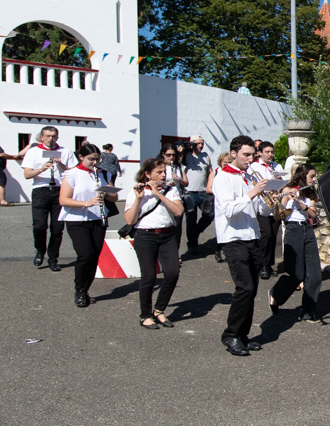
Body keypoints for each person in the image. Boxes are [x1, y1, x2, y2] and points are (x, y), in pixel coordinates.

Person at [215, 135, 273, 356]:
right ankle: (230, 335)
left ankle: (243, 335)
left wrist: (273, 198)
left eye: (252, 155)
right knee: (244, 288)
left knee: (253, 289)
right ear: (234, 154)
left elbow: (259, 209)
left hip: (252, 236)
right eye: (246, 155)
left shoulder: (247, 176)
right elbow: (228, 210)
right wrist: (252, 193)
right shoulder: (223, 177)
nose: (250, 159)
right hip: (233, 238)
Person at [125, 157, 184, 328]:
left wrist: (158, 193)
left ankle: (159, 310)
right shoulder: (136, 191)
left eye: (164, 171)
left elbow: (178, 211)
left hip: (167, 235)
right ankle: (145, 315)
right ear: (147, 174)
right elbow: (129, 220)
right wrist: (138, 199)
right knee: (149, 276)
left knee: (172, 273)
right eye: (158, 172)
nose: (163, 175)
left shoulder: (170, 190)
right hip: (146, 236)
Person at [57, 143, 117, 308]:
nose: (95, 162)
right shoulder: (71, 174)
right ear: (81, 157)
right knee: (85, 254)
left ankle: (85, 289)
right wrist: (86, 203)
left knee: (93, 257)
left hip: (98, 219)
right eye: (91, 159)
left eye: (97, 159)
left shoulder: (102, 173)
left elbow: (114, 197)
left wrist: (107, 193)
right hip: (77, 220)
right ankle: (80, 290)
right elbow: (63, 200)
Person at [269, 165, 322, 322]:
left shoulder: (310, 192)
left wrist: (300, 202)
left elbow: (312, 213)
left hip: (307, 230)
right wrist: (280, 201)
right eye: (311, 176)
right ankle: (276, 294)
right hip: (293, 230)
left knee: (314, 274)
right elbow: (280, 216)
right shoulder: (288, 188)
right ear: (303, 175)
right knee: (297, 273)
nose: (313, 179)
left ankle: (308, 312)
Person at [20, 127, 77, 271]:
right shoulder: (33, 152)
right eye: (47, 136)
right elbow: (27, 175)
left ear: (57, 137)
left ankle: (53, 259)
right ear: (42, 137)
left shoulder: (66, 151)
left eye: (53, 136)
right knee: (39, 226)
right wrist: (41, 168)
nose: (50, 139)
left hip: (60, 190)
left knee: (57, 229)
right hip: (41, 190)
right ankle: (40, 250)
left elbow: (74, 172)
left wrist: (60, 164)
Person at [248, 141, 286, 280]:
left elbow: (284, 184)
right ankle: (262, 265)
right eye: (267, 152)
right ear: (260, 152)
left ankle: (269, 264)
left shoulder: (277, 166)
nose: (270, 155)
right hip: (261, 206)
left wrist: (280, 179)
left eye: (271, 152)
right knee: (266, 234)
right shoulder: (253, 167)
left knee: (274, 235)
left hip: (275, 206)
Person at [181, 136, 213, 251]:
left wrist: (209, 185)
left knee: (210, 214)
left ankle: (197, 231)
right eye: (197, 143)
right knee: (191, 219)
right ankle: (192, 245)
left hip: (203, 191)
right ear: (192, 144)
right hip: (190, 192)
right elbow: (178, 163)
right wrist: (181, 151)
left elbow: (210, 172)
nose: (200, 145)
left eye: (202, 143)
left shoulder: (205, 156)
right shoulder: (186, 156)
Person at [205, 151, 232, 263]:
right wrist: (221, 191)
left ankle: (228, 250)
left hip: (229, 203)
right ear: (220, 162)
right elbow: (208, 189)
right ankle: (218, 249)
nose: (226, 165)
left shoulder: (232, 173)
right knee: (220, 227)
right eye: (224, 162)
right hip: (218, 204)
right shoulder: (216, 172)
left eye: (229, 162)